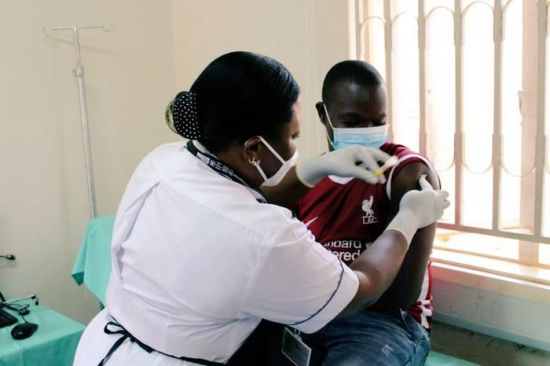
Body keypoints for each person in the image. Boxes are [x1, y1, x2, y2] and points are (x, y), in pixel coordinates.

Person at [73, 51, 449, 366]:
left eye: (377, 121)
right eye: (292, 137)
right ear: (253, 149)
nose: (297, 151)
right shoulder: (263, 236)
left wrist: (312, 169)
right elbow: (359, 290)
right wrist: (409, 218)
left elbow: (398, 297)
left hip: (110, 346)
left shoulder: (163, 162)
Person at [290, 60, 439, 365]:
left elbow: (400, 295)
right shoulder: (308, 180)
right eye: (353, 120)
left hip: (383, 324)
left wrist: (326, 293)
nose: (369, 133)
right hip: (315, 313)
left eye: (377, 121)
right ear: (323, 114)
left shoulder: (407, 172)